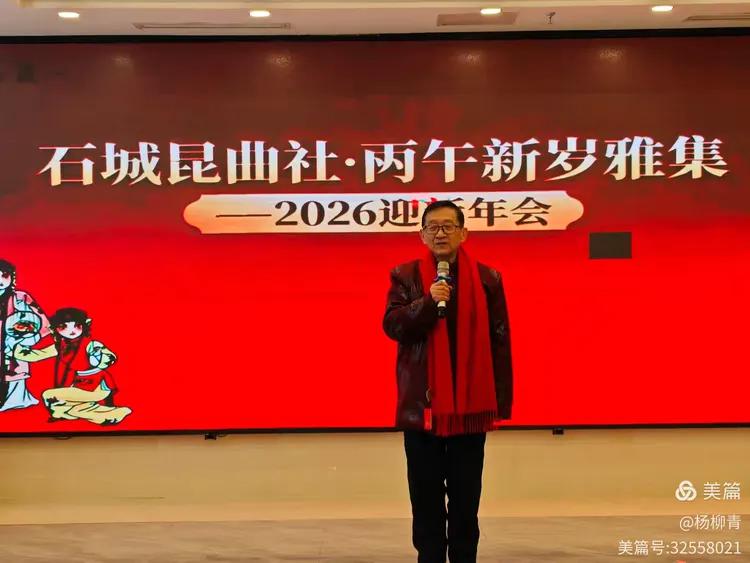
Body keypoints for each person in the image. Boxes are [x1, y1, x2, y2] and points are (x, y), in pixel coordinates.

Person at [382, 200, 513, 563]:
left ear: (463, 233)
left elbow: (500, 340)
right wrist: (428, 302)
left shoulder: (488, 279)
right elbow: (393, 325)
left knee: (465, 502)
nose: (440, 234)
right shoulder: (405, 275)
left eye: (448, 226)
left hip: (470, 410)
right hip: (424, 408)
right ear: (422, 235)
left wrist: (500, 402)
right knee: (425, 502)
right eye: (433, 227)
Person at [15, 307, 132, 425]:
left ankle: (110, 414)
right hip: (80, 383)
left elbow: (110, 357)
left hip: (96, 385)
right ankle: (110, 415)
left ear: (84, 325)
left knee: (49, 396)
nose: (71, 330)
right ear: (55, 329)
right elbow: (37, 355)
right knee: (66, 409)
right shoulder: (62, 345)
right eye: (63, 327)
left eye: (77, 325)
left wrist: (98, 358)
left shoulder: (91, 344)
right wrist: (16, 346)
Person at [0, 259, 49, 412]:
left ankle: (14, 401)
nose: (1, 281)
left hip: (16, 343)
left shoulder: (21, 297)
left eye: (4, 276)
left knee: (15, 376)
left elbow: (44, 322)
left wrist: (30, 338)